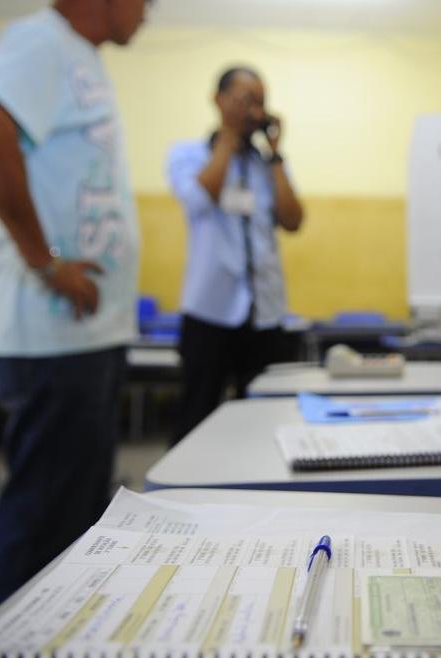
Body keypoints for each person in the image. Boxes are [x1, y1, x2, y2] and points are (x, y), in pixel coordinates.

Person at [0, 0, 147, 618]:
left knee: (73, 532)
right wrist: (44, 260)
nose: (150, 12)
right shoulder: (44, 41)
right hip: (53, 339)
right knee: (41, 528)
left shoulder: (78, 57)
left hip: (84, 338)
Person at [167, 66, 305, 445]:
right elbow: (198, 198)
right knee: (195, 418)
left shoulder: (267, 166)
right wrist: (227, 137)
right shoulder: (188, 154)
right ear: (218, 99)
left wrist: (276, 155)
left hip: (265, 313)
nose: (254, 112)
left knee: (263, 422)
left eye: (260, 102)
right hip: (210, 311)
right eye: (245, 100)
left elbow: (293, 220)